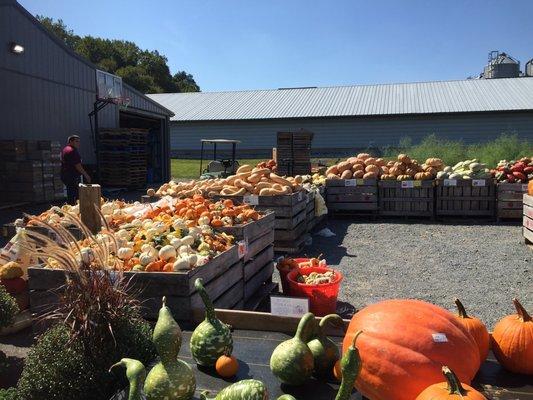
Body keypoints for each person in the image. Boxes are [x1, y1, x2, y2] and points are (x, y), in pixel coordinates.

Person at [60, 135, 91, 205]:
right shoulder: (71, 151)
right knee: (75, 195)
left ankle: (71, 207)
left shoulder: (66, 149)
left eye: (79, 141)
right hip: (71, 176)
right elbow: (78, 166)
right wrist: (86, 175)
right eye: (76, 141)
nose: (78, 143)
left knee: (71, 193)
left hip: (67, 175)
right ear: (70, 141)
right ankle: (74, 209)